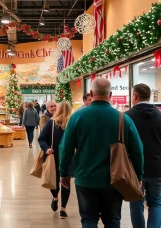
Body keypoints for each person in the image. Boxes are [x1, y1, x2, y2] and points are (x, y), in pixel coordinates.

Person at [59, 78, 144, 228]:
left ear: (91, 93)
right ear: (110, 95)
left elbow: (65, 148)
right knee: (112, 221)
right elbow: (138, 150)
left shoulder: (77, 117)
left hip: (85, 179)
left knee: (88, 220)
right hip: (114, 180)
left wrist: (63, 171)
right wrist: (138, 176)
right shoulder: (123, 119)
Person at [126, 83, 161, 228]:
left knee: (136, 203)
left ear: (135, 96)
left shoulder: (127, 117)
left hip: (134, 169)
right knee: (156, 203)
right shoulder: (159, 116)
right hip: (157, 168)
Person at [38, 101, 73, 219]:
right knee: (62, 181)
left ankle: (63, 208)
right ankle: (56, 198)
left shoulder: (71, 124)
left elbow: (41, 139)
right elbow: (42, 139)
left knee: (57, 180)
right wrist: (47, 148)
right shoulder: (52, 123)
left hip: (64, 158)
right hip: (56, 157)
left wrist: (47, 149)